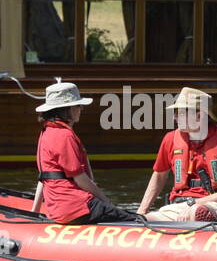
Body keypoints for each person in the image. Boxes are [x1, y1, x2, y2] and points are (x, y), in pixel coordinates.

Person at [31, 80, 141, 224]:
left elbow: (44, 178)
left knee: (119, 213)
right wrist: (106, 201)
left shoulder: (46, 132)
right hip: (75, 206)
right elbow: (80, 179)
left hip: (58, 210)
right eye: (78, 105)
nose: (81, 109)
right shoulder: (64, 135)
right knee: (135, 219)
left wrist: (34, 212)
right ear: (67, 109)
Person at [138, 87, 217, 223]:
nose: (174, 117)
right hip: (178, 207)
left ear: (199, 115)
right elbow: (159, 176)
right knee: (143, 220)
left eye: (179, 112)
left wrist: (193, 204)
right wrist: (142, 211)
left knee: (196, 213)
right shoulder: (170, 139)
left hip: (214, 205)